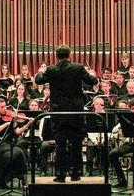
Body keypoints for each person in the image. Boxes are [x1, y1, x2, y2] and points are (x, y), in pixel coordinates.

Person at [35, 44, 98, 183]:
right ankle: (75, 173)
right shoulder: (78, 68)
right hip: (75, 112)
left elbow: (38, 80)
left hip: (58, 113)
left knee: (60, 144)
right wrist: (92, 74)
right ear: (70, 55)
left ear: (56, 56)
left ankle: (60, 175)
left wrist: (40, 71)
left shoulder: (51, 70)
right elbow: (93, 81)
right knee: (76, 143)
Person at [0, 99, 31, 190]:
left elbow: (17, 131)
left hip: (8, 144)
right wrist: (6, 124)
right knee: (19, 152)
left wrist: (27, 124)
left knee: (19, 153)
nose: (5, 109)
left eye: (5, 106)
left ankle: (24, 180)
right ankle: (22, 181)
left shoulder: (10, 117)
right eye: (2, 107)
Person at [109, 98, 134, 188]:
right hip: (129, 143)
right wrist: (120, 126)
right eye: (133, 109)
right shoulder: (126, 118)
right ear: (130, 109)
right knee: (112, 154)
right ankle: (121, 179)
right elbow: (114, 130)